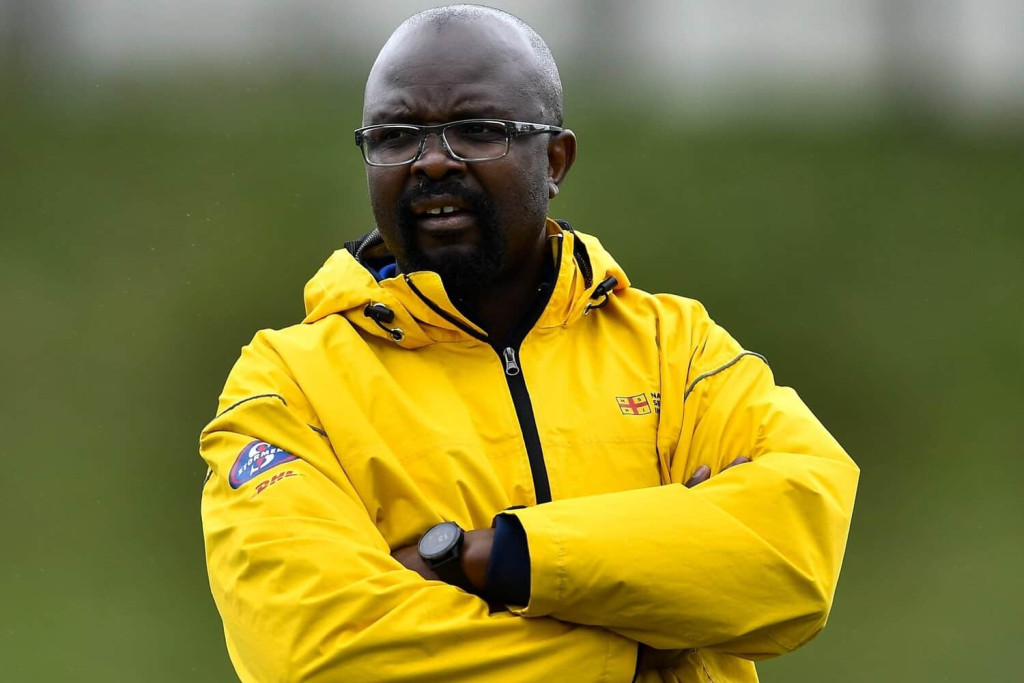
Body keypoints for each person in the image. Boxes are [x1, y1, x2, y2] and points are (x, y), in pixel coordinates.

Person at [200, 5, 859, 682]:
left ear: (555, 161)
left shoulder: (677, 350)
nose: (433, 161)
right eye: (396, 137)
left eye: (477, 130)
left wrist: (495, 558)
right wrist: (639, 644)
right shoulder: (289, 385)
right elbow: (317, 654)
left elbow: (794, 558)